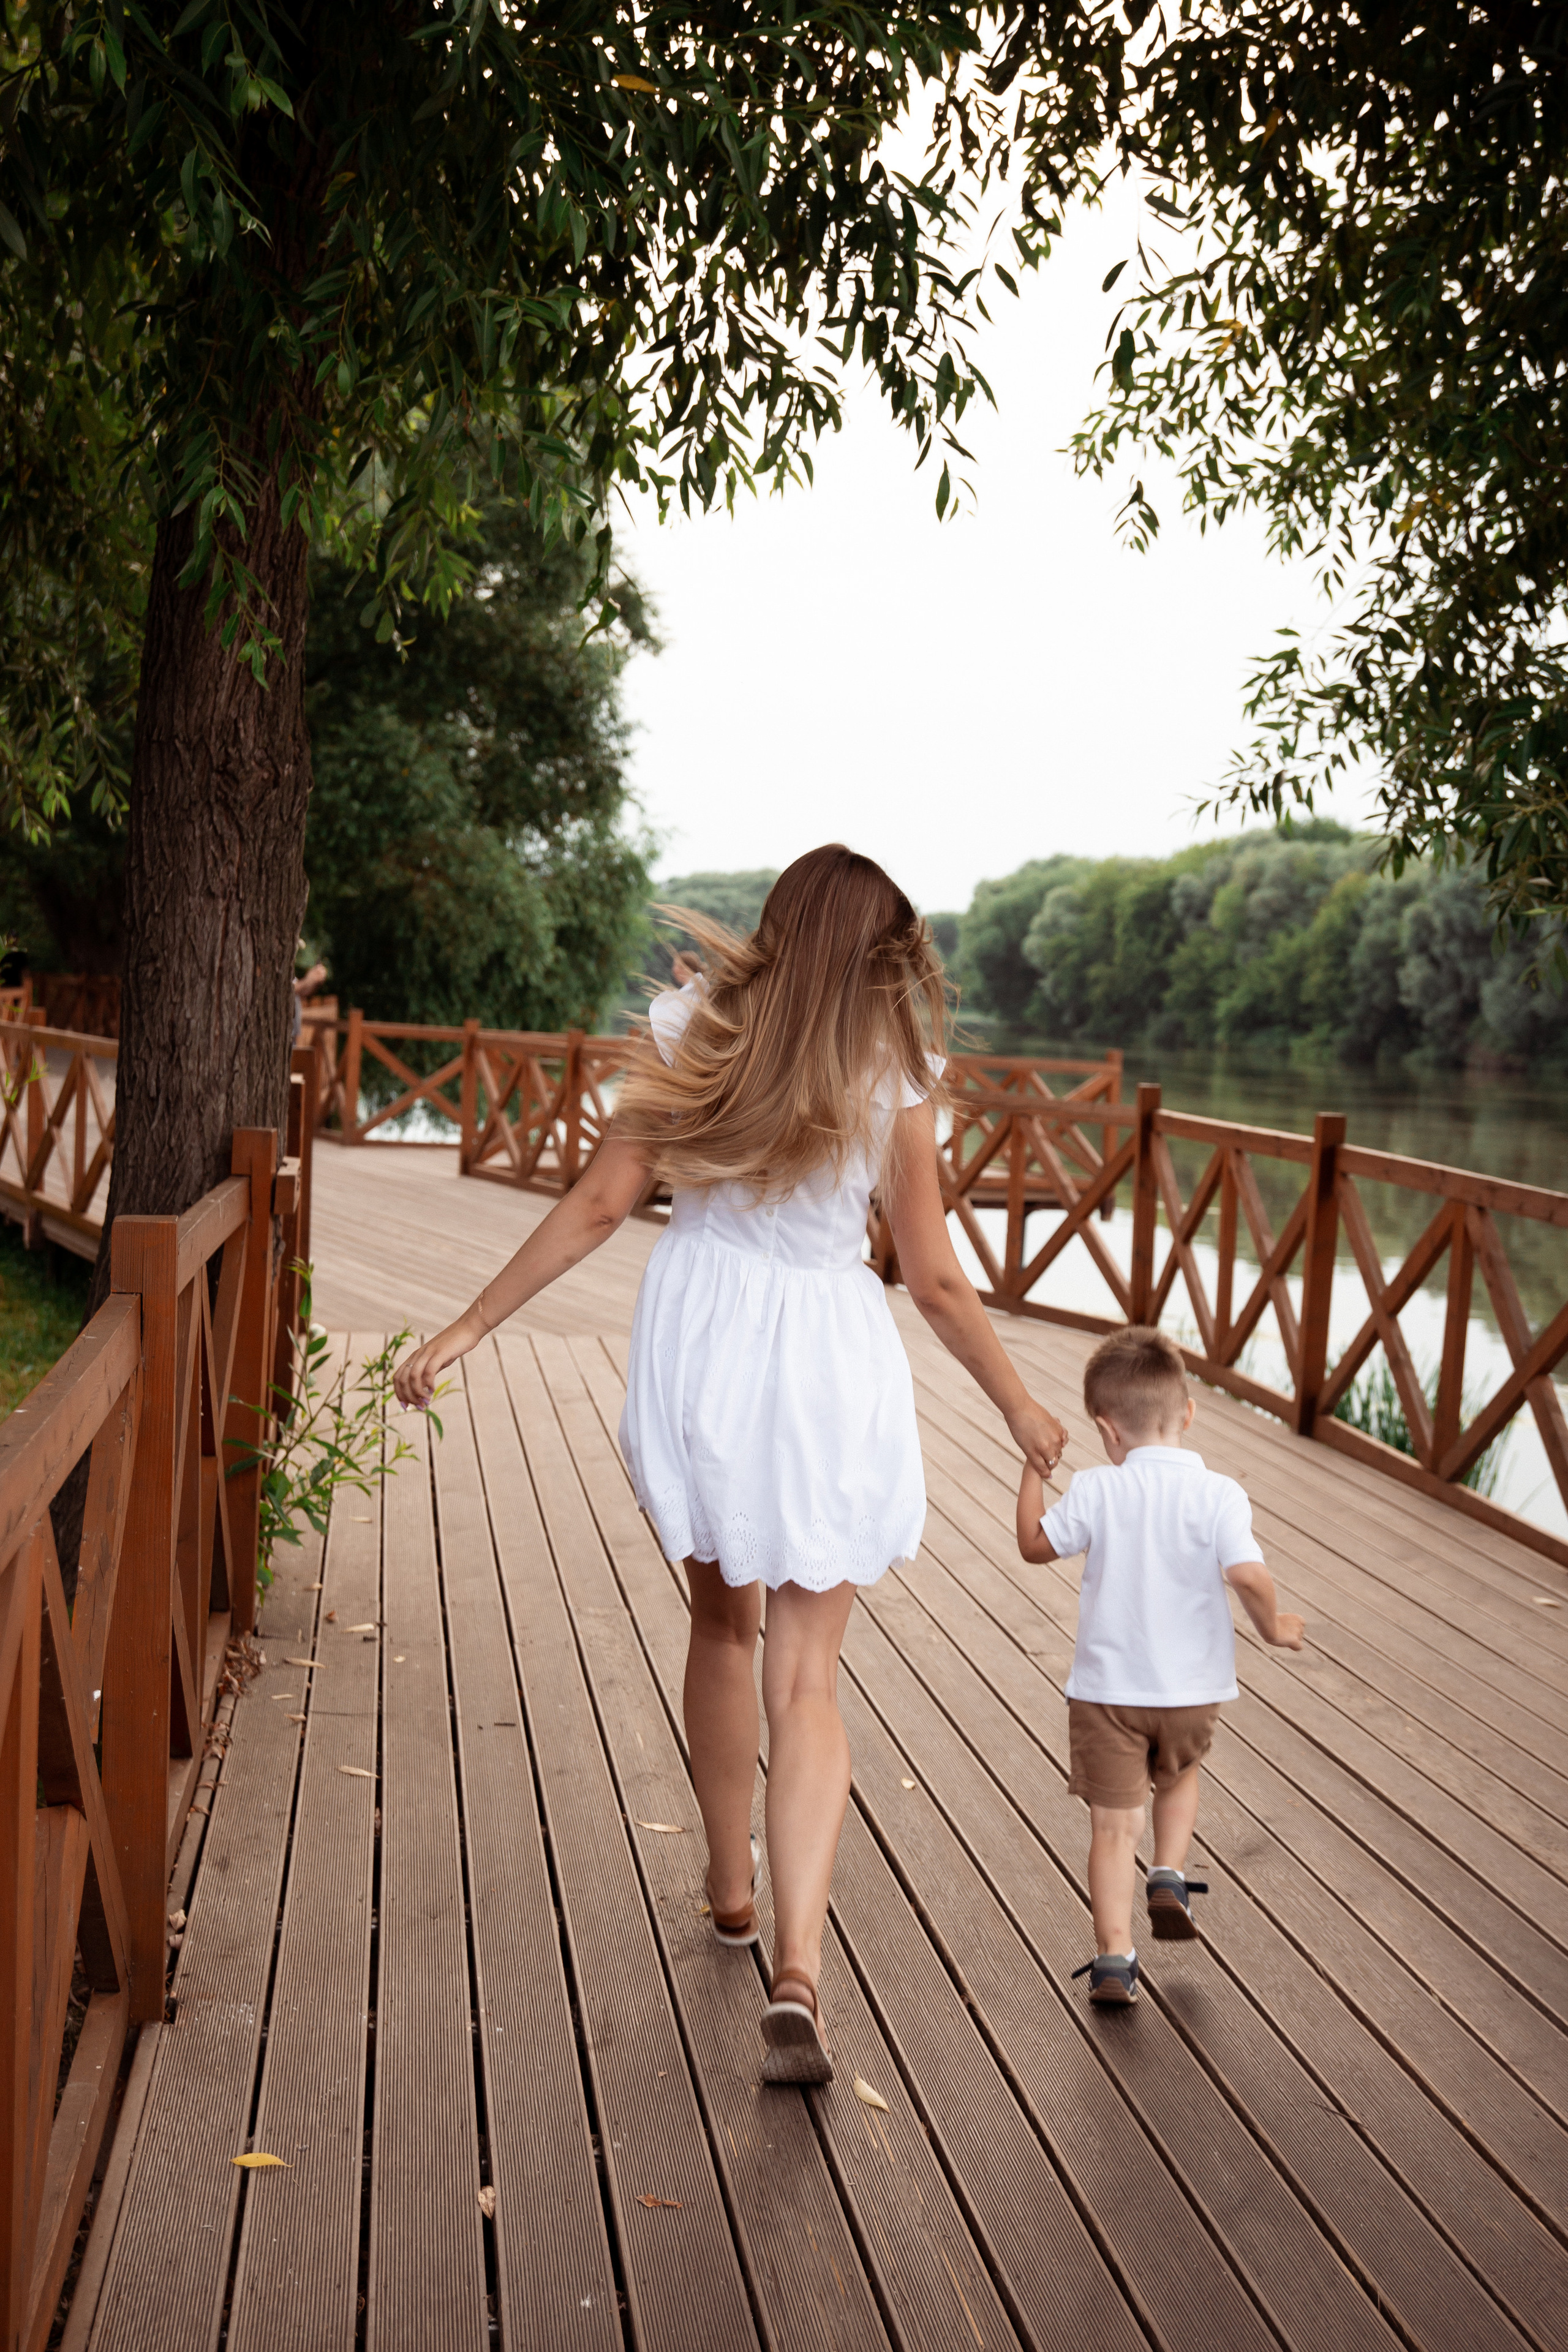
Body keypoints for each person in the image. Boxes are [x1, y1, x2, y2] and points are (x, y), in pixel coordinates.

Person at [394, 845, 1067, 2082]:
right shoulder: (898, 1075)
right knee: (807, 1675)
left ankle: (727, 1890)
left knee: (720, 1627)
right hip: (826, 1352)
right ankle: (799, 1969)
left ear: (776, 925)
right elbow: (930, 1278)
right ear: (879, 954)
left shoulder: (689, 1033)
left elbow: (601, 1206)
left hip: (703, 1337)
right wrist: (1021, 1406)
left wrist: (470, 1326)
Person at [1014, 1324, 1303, 2007]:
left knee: (1113, 1829)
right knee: (1179, 1777)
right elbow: (1247, 1574)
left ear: (1105, 1429)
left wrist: (1033, 1471)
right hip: (1191, 1690)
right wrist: (1271, 1626)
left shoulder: (1094, 1489)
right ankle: (1170, 1873)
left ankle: (1114, 1959)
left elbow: (1032, 1545)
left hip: (1107, 1693)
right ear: (1189, 1414)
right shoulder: (1221, 1495)